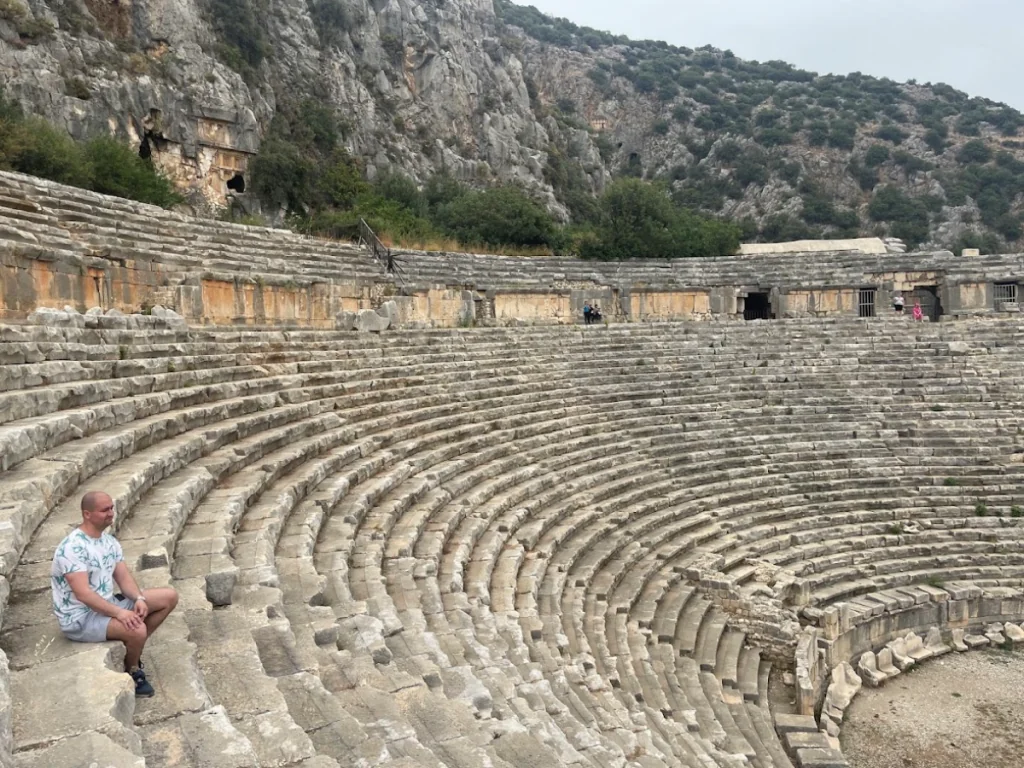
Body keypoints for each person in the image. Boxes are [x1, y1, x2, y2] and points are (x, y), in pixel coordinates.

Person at [52, 491, 178, 697]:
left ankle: (133, 646)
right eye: (105, 510)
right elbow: (83, 594)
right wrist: (120, 614)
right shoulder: (72, 548)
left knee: (168, 597)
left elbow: (124, 578)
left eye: (111, 508)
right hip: (80, 618)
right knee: (137, 630)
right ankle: (133, 669)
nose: (111, 513)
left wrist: (138, 598)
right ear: (87, 514)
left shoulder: (108, 542)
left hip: (106, 604)